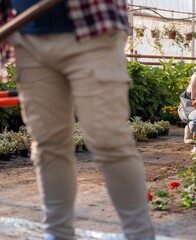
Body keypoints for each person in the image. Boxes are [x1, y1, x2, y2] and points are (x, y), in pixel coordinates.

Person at [0, 1, 155, 240]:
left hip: (91, 29)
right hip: (27, 39)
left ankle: (140, 235)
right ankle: (57, 233)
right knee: (48, 145)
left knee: (108, 139)